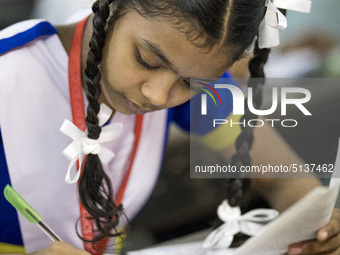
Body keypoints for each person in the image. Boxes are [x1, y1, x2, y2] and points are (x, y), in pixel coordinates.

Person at [0, 0, 339, 254]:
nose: (159, 96)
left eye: (192, 83)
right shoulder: (10, 75)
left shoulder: (200, 83)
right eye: (146, 60)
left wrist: (322, 226)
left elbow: (288, 182)